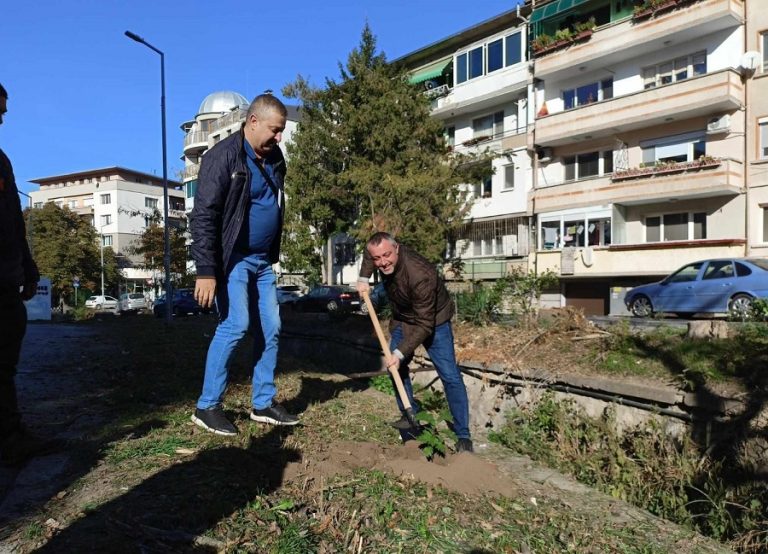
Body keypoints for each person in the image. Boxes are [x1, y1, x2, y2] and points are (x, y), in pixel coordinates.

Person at [190, 94, 298, 435]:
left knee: (271, 327)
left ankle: (263, 402)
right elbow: (204, 216)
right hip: (233, 256)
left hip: (263, 260)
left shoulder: (274, 157)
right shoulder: (221, 158)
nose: (279, 138)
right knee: (236, 324)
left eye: (281, 131)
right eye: (274, 130)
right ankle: (207, 407)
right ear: (253, 122)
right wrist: (207, 271)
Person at [357, 232, 473, 453]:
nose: (382, 262)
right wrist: (364, 278)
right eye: (378, 258)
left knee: (450, 376)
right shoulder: (378, 257)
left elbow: (425, 325)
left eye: (387, 255)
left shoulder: (421, 274)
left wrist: (400, 353)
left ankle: (463, 436)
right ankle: (410, 413)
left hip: (433, 321)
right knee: (394, 368)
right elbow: (368, 253)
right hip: (403, 319)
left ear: (397, 248)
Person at [0, 82, 53, 465]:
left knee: (5, 362)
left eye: (2, 113)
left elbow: (15, 222)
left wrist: (29, 268)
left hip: (5, 282)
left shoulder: (1, 161)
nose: (1, 119)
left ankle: (11, 436)